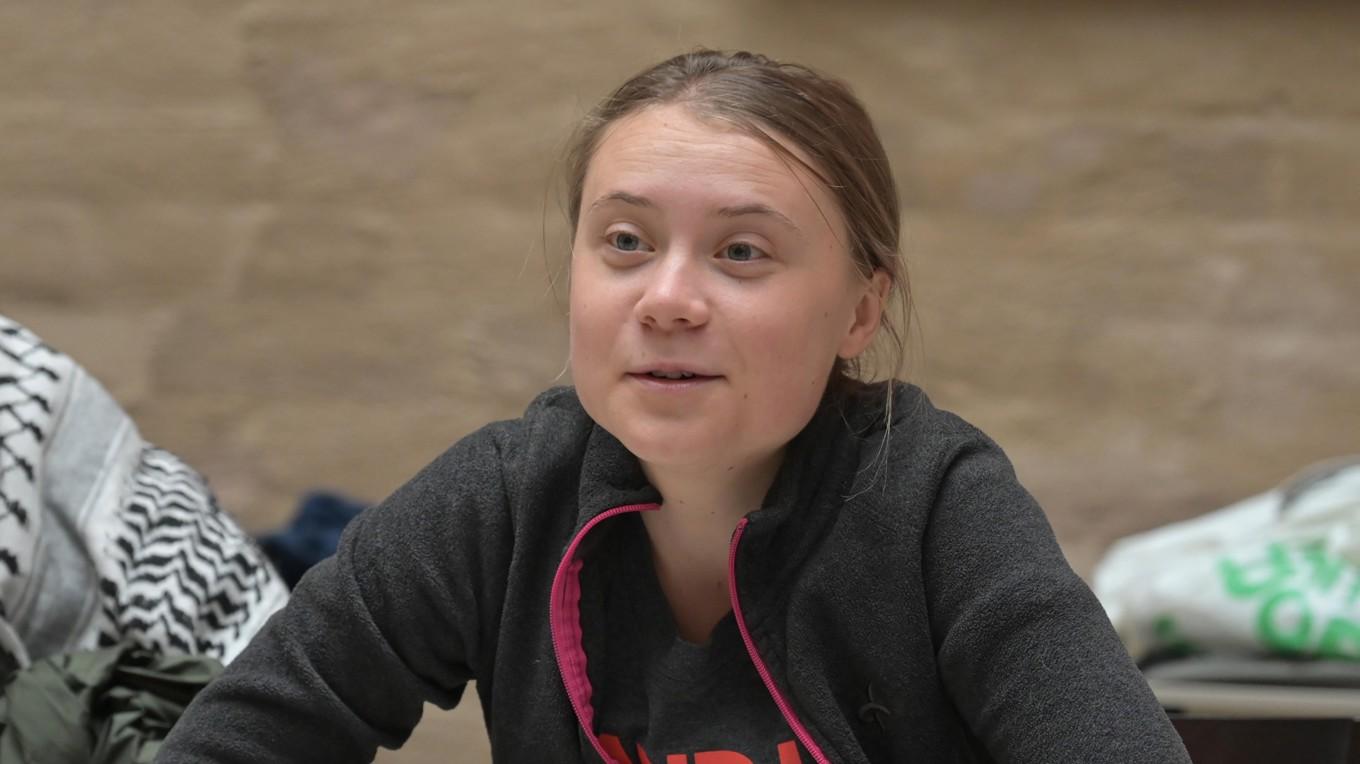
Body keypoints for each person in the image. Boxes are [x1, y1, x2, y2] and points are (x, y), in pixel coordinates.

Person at [157, 50, 1190, 763]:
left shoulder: (932, 501)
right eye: (624, 242)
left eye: (742, 251)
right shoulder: (503, 498)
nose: (665, 299)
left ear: (859, 309)